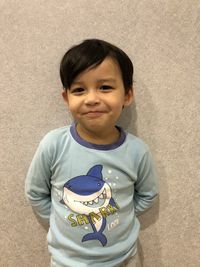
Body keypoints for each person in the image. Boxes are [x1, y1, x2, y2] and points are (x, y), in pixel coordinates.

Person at [25, 39, 158, 267]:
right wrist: (61, 220)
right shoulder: (53, 145)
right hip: (67, 262)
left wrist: (119, 215)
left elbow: (148, 195)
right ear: (67, 98)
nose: (92, 99)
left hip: (124, 258)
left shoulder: (137, 151)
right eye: (79, 90)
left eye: (105, 87)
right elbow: (35, 193)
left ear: (127, 94)